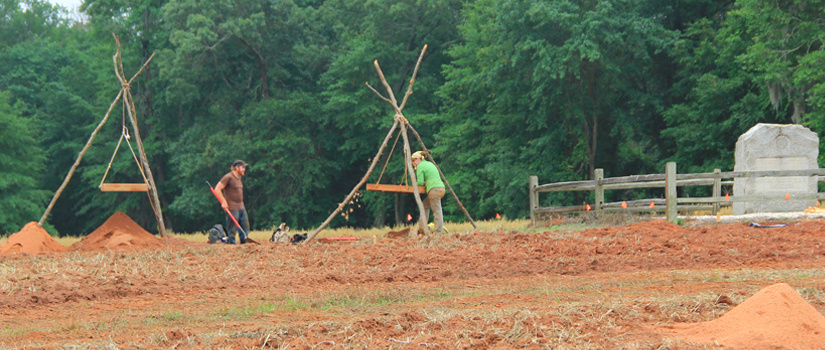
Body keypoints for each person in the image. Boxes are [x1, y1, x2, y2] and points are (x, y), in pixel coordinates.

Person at [214, 160, 250, 244]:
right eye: (243, 167)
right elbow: (217, 189)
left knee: (245, 226)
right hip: (232, 207)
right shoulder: (228, 177)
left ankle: (244, 244)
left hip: (241, 206)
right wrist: (224, 202)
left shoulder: (239, 178)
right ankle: (232, 245)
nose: (244, 169)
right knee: (232, 229)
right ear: (236, 167)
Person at [411, 151, 446, 234]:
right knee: (425, 206)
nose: (413, 163)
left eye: (414, 160)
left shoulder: (420, 166)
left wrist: (415, 184)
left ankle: (438, 232)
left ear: (419, 159)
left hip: (434, 190)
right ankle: (422, 228)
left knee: (437, 211)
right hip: (441, 189)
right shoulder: (429, 164)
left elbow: (419, 182)